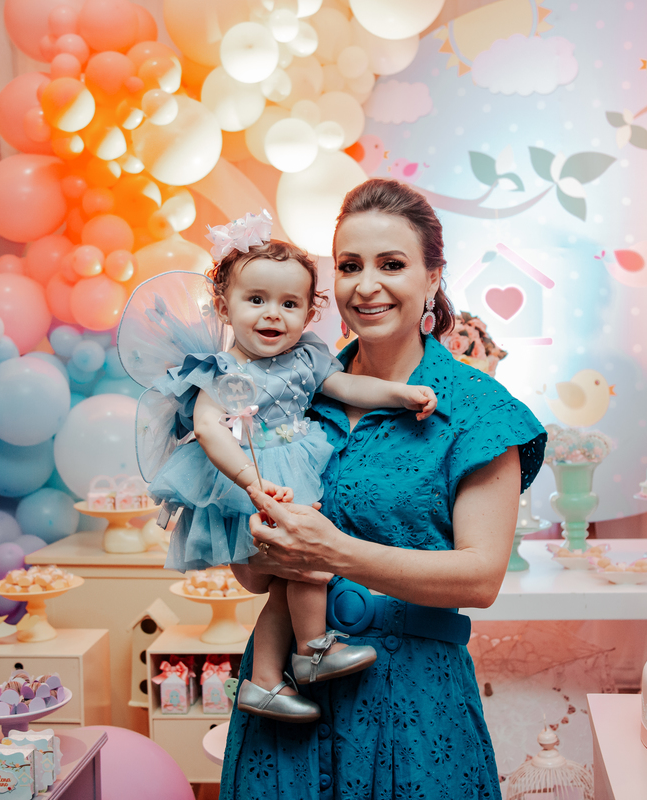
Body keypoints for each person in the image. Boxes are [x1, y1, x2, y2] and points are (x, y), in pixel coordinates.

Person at [219, 179, 547, 799]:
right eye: (349, 266)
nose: (366, 285)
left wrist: (332, 552)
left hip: (415, 699)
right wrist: (257, 543)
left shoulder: (477, 410)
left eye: (391, 264)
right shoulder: (286, 391)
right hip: (288, 700)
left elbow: (481, 579)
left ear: (432, 276)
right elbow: (252, 578)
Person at [146, 210, 439, 723]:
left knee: (290, 578)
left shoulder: (305, 356)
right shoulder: (221, 369)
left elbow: (345, 385)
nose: (272, 315)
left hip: (295, 463)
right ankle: (312, 650)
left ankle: (264, 681)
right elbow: (210, 427)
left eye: (289, 304)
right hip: (249, 476)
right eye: (256, 300)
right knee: (306, 564)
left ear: (308, 313)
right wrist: (250, 483)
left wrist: (398, 393)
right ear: (224, 305)